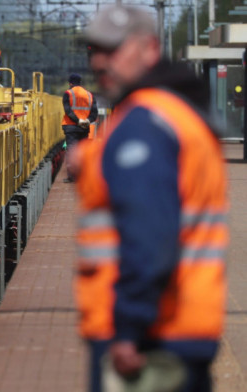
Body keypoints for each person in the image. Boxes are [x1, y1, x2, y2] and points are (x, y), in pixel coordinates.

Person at [71, 5, 228, 392]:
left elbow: (149, 235)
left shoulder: (145, 126)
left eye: (114, 48)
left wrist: (129, 328)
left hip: (149, 336)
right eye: (95, 50)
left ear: (150, 49)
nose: (102, 61)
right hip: (178, 325)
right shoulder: (173, 113)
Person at [61, 73, 98, 183]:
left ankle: (72, 177)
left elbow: (68, 111)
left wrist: (78, 121)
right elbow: (94, 113)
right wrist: (87, 121)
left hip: (71, 127)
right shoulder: (90, 95)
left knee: (72, 151)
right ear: (80, 82)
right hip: (85, 128)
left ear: (70, 83)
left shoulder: (68, 93)